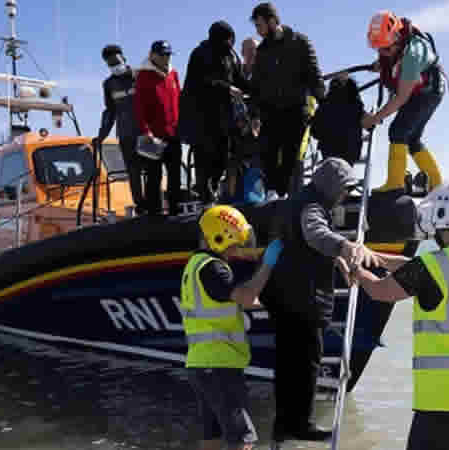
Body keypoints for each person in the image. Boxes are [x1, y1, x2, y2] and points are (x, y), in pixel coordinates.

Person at [341, 177, 449, 450]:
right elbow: (416, 268)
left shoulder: (433, 266)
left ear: (447, 217)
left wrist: (354, 268)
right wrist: (373, 255)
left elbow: (380, 290)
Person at [261, 157, 381, 446]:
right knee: (307, 365)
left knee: (286, 365)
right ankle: (301, 425)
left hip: (283, 296)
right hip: (304, 299)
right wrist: (345, 246)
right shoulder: (313, 207)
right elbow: (314, 233)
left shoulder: (296, 202)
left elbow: (300, 242)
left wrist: (337, 259)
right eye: (343, 189)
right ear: (330, 186)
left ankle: (283, 425)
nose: (344, 195)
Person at [181, 205, 285, 450]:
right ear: (220, 236)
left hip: (201, 365)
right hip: (220, 366)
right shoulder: (213, 268)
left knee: (212, 437)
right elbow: (246, 297)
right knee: (243, 440)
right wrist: (268, 265)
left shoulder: (195, 265)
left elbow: (234, 300)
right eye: (236, 242)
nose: (238, 249)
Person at [362, 10, 448, 193]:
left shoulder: (412, 55)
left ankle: (395, 185)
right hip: (418, 91)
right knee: (412, 139)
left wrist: (375, 118)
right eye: (378, 49)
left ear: (396, 37)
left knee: (398, 130)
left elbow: (401, 97)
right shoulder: (394, 46)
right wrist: (381, 64)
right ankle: (436, 185)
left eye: (386, 48)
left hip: (428, 92)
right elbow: (392, 59)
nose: (382, 52)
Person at [249, 2, 325, 199]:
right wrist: (254, 114)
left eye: (259, 25)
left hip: (296, 110)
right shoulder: (262, 51)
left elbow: (314, 75)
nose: (258, 31)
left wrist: (324, 104)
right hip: (271, 112)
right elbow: (256, 84)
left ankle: (282, 196)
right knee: (268, 155)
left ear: (272, 21)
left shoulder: (299, 42)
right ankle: (272, 195)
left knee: (290, 158)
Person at [183, 21, 250, 203]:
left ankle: (212, 187)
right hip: (201, 118)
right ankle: (205, 196)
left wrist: (255, 90)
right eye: (227, 40)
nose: (229, 43)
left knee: (222, 158)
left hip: (223, 118)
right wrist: (227, 88)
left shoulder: (232, 56)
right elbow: (200, 82)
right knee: (204, 159)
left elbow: (239, 79)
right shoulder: (200, 54)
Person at [93, 45, 145, 215]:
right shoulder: (108, 84)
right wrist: (101, 136)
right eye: (110, 64)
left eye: (117, 62)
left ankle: (156, 205)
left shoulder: (140, 76)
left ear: (124, 58)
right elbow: (110, 111)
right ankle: (141, 207)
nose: (115, 66)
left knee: (153, 169)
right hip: (126, 135)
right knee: (133, 172)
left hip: (146, 133)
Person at [134, 40, 183, 216]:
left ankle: (175, 209)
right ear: (152, 55)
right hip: (153, 135)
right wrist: (145, 131)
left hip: (173, 133)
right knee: (154, 176)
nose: (166, 58)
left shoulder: (173, 74)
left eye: (168, 54)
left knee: (175, 174)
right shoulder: (143, 76)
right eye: (162, 54)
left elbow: (179, 100)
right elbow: (139, 106)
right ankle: (153, 213)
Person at [310, 74, 365, 165]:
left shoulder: (325, 105)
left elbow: (314, 131)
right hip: (350, 153)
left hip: (328, 152)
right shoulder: (357, 105)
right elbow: (368, 123)